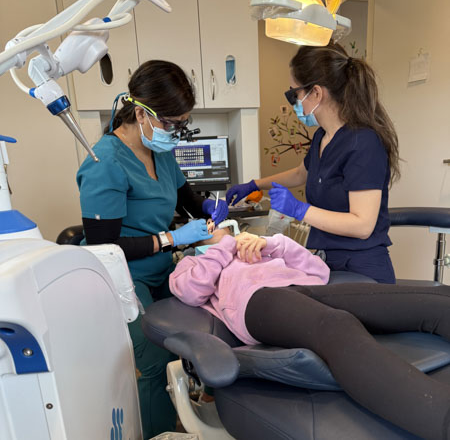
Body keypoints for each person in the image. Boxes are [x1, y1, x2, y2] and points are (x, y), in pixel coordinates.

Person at [170, 232, 450, 440]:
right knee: (336, 326)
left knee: (435, 301)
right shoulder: (196, 261)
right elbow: (191, 290)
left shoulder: (263, 249)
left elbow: (320, 271)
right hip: (257, 301)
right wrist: (224, 246)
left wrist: (271, 244)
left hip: (303, 288)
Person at [76, 60, 228, 438]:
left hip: (159, 269)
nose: (177, 132)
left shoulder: (159, 151)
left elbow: (186, 199)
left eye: (183, 123)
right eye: (172, 123)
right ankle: (158, 432)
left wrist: (209, 209)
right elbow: (103, 246)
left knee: (204, 327)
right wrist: (172, 239)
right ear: (141, 113)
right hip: (122, 278)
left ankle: (197, 412)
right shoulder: (104, 163)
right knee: (156, 358)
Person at [226, 42, 400, 284]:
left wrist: (299, 210)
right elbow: (300, 173)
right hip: (327, 261)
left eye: (294, 94)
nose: (294, 102)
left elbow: (362, 225)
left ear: (316, 93)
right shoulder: (322, 136)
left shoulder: (363, 143)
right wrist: (254, 185)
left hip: (360, 270)